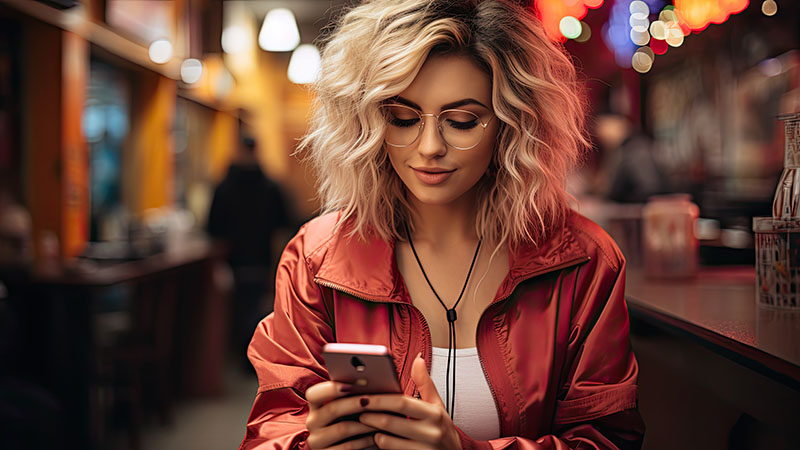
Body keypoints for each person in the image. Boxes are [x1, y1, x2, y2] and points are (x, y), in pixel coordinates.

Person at [240, 1, 644, 449]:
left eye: (462, 121)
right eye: (403, 118)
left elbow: (606, 440)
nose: (430, 146)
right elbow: (270, 429)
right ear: (368, 122)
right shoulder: (317, 260)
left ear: (512, 124)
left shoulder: (582, 261)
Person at [207, 134, 290, 371]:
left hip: (233, 262)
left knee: (237, 313)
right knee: (257, 311)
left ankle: (243, 359)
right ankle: (254, 360)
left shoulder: (224, 187)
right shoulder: (270, 187)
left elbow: (212, 228)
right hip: (262, 260)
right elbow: (284, 225)